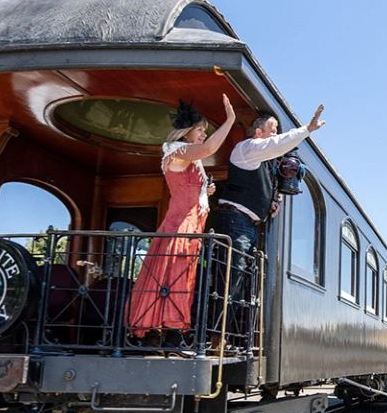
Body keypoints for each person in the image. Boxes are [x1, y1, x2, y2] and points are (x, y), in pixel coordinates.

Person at [128, 95, 235, 341]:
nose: (203, 135)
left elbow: (189, 184)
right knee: (174, 278)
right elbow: (208, 150)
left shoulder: (187, 157)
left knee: (179, 278)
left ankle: (169, 332)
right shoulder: (175, 150)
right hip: (181, 224)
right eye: (200, 130)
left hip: (191, 224)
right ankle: (171, 332)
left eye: (204, 131)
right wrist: (230, 121)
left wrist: (204, 191)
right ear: (186, 131)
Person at [211, 105, 326, 254]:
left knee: (240, 273)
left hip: (247, 224)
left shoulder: (262, 160)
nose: (276, 135)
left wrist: (271, 202)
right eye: (273, 131)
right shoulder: (247, 148)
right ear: (258, 132)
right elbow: (277, 144)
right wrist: (307, 129)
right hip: (235, 220)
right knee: (233, 273)